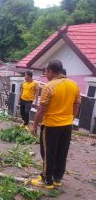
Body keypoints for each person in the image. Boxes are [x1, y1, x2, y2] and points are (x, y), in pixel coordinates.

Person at [30, 60, 81, 189]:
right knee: (62, 151)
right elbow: (77, 104)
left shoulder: (49, 86)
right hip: (67, 125)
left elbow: (42, 109)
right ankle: (58, 178)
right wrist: (70, 117)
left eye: (46, 72)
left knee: (48, 153)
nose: (46, 74)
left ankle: (47, 180)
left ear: (51, 71)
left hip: (52, 126)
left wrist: (35, 125)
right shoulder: (74, 85)